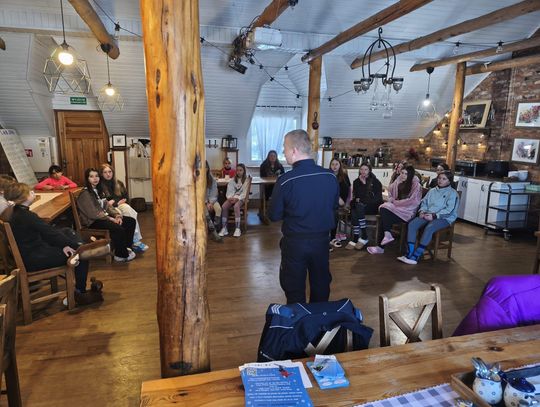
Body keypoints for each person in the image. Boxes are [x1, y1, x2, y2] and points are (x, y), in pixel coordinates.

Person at [2, 182, 103, 305]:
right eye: (30, 192)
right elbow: (49, 233)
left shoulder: (14, 213)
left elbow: (46, 234)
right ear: (23, 198)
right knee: (81, 255)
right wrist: (76, 248)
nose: (33, 193)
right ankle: (78, 294)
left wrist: (65, 245)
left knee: (66, 232)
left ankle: (81, 245)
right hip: (35, 259)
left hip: (30, 254)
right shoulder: (27, 216)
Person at [269, 129, 339, 304]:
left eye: (285, 148)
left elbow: (274, 215)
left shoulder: (285, 180)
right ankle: (319, 321)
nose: (283, 152)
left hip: (295, 243)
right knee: (321, 287)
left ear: (294, 150)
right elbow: (334, 207)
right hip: (322, 242)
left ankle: (299, 320)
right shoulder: (330, 176)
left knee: (294, 290)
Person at [398, 170, 459, 265]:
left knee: (430, 227)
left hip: (444, 218)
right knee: (412, 224)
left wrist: (434, 216)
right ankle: (409, 253)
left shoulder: (453, 193)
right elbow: (424, 202)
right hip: (427, 214)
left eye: (444, 179)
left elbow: (449, 210)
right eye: (439, 178)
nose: (440, 180)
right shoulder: (432, 191)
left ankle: (416, 256)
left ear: (449, 181)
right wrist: (422, 211)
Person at [77, 168, 137, 262]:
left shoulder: (98, 190)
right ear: (87, 179)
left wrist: (117, 215)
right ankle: (120, 255)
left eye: (96, 176)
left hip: (102, 218)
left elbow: (107, 206)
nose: (95, 178)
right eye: (91, 176)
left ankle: (126, 248)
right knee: (118, 229)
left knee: (130, 221)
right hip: (93, 221)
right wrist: (110, 219)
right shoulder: (85, 193)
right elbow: (93, 214)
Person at [366, 165, 422, 254]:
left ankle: (381, 247)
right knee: (383, 211)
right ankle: (387, 235)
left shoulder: (416, 185)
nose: (403, 175)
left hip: (407, 212)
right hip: (396, 208)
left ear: (411, 175)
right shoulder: (398, 181)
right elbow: (390, 191)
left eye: (406, 174)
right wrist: (393, 197)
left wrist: (395, 202)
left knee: (383, 217)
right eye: (402, 173)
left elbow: (413, 201)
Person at [98, 164, 149, 253]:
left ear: (113, 172)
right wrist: (116, 202)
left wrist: (115, 201)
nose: (108, 174)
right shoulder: (99, 186)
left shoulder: (118, 183)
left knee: (128, 209)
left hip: (119, 204)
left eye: (110, 172)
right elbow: (105, 203)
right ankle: (125, 241)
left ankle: (135, 240)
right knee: (118, 212)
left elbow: (125, 197)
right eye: (105, 172)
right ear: (101, 174)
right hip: (108, 209)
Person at [345, 163, 383, 250]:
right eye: (361, 169)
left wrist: (364, 185)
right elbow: (357, 197)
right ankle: (359, 236)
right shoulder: (356, 182)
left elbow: (377, 198)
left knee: (358, 206)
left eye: (366, 169)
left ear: (369, 171)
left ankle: (361, 236)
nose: (363, 171)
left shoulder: (376, 182)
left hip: (373, 206)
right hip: (361, 207)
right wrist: (362, 186)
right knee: (355, 208)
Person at [219, 163, 250, 238]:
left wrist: (237, 199)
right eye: (237, 170)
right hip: (232, 198)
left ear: (244, 171)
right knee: (224, 206)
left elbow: (244, 193)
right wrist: (230, 197)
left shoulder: (246, 180)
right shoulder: (233, 180)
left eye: (240, 170)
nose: (239, 172)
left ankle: (237, 228)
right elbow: (230, 190)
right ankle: (224, 227)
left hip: (241, 198)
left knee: (236, 206)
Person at [329, 158, 351, 248]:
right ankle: (328, 237)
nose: (334, 166)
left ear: (340, 165)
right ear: (330, 166)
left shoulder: (344, 176)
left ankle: (332, 237)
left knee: (334, 211)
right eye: (332, 164)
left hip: (342, 201)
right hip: (331, 200)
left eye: (336, 164)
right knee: (331, 210)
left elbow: (348, 190)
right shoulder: (328, 175)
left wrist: (347, 202)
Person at [205, 161, 222, 242]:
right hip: (203, 202)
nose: (205, 169)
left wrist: (211, 202)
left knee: (218, 209)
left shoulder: (211, 179)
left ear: (208, 168)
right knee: (206, 212)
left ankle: (215, 227)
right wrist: (206, 203)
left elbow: (214, 192)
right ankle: (214, 233)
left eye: (206, 167)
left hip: (212, 200)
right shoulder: (198, 179)